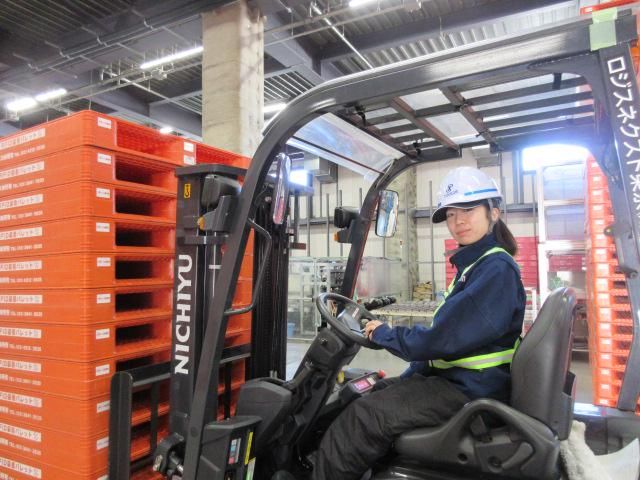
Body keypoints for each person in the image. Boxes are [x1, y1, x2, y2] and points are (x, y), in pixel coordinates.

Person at [311, 166, 526, 480]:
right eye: (451, 214)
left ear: (493, 212)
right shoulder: (477, 265)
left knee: (364, 416)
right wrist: (412, 372)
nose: (458, 221)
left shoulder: (495, 270)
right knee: (367, 392)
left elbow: (443, 339)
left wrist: (386, 334)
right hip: (463, 380)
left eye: (468, 210)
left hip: (471, 389)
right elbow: (452, 340)